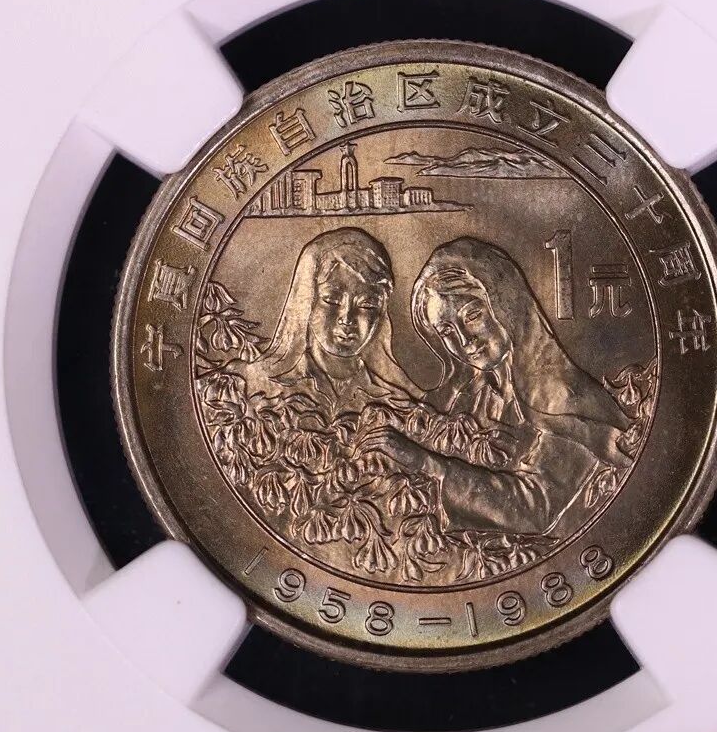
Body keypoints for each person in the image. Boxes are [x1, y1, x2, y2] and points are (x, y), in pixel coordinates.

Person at [357, 237, 632, 536]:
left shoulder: (563, 396)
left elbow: (533, 509)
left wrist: (425, 463)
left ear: (506, 304)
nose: (465, 341)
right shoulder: (473, 395)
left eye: (472, 316)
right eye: (446, 331)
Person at [220, 227, 418, 419]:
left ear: (381, 314)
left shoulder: (400, 405)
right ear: (306, 302)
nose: (347, 318)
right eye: (331, 300)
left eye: (367, 305)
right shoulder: (244, 388)